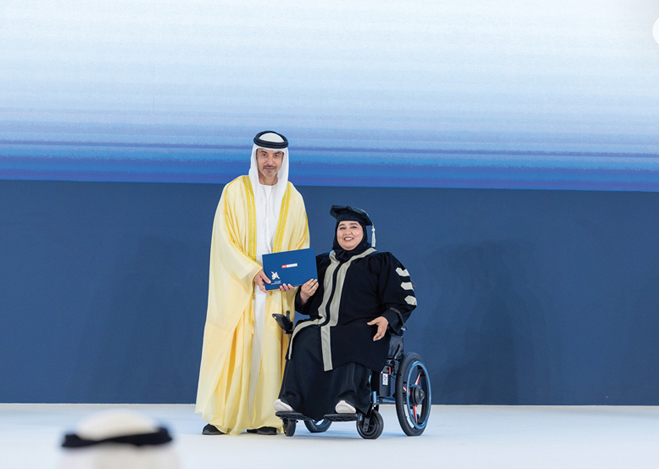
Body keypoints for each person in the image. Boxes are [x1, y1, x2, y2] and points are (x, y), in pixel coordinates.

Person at [196, 131, 310, 435]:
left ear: (284, 159)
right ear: (255, 156)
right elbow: (224, 240)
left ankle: (266, 418)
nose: (270, 162)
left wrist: (290, 280)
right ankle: (224, 417)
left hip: (275, 291)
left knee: (269, 349)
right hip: (240, 285)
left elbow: (300, 244)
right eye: (264, 155)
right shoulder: (234, 191)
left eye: (276, 156)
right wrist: (251, 271)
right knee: (233, 347)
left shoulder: (294, 198)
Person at [274, 205, 416, 419]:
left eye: (353, 227)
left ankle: (350, 398)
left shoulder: (381, 261)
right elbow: (305, 306)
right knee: (304, 333)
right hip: (323, 324)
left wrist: (387, 318)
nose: (347, 232)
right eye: (342, 228)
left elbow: (404, 298)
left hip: (364, 325)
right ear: (336, 233)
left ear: (363, 232)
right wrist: (303, 295)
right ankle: (292, 399)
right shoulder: (321, 263)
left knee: (356, 333)